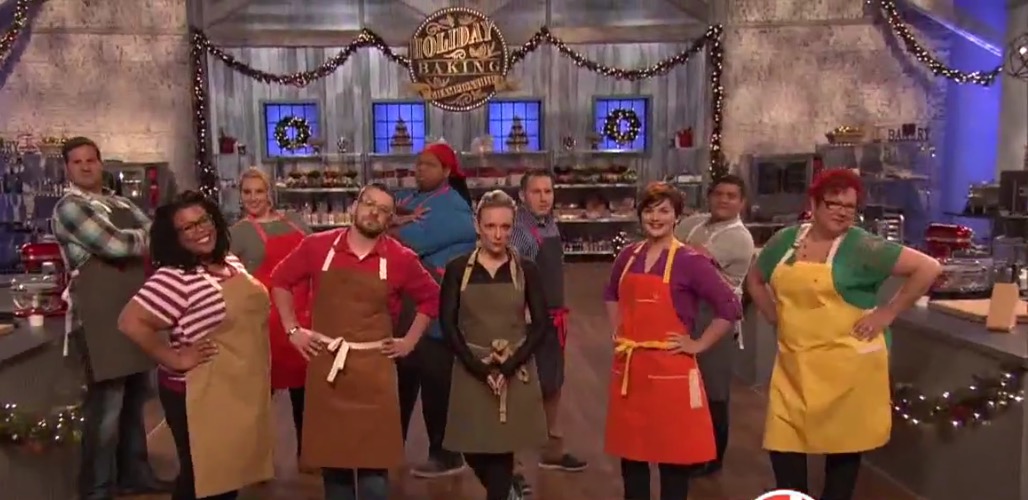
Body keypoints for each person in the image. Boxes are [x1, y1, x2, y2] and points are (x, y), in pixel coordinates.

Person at [747, 169, 941, 500]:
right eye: (833, 203)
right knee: (784, 446)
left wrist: (887, 313)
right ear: (813, 204)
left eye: (849, 206)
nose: (841, 212)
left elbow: (929, 268)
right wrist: (772, 314)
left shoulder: (864, 246)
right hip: (794, 366)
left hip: (849, 368)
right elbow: (755, 278)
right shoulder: (785, 241)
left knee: (843, 450)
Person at [270, 184, 441, 500]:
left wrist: (409, 341)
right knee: (334, 466)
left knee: (374, 470)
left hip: (375, 374)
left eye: (383, 210)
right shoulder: (317, 247)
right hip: (328, 370)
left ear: (390, 219)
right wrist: (293, 330)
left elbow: (432, 298)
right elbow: (280, 281)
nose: (374, 212)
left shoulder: (401, 258)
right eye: (369, 203)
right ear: (355, 206)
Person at [117, 191, 274, 500]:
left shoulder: (229, 261)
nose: (200, 230)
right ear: (174, 237)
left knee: (229, 475)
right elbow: (130, 321)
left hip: (236, 386)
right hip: (199, 392)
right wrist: (173, 358)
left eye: (203, 221)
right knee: (204, 479)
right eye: (187, 227)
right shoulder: (175, 278)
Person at [603, 182, 742, 500]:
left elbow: (729, 307)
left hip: (672, 371)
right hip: (631, 369)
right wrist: (618, 328)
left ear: (677, 216)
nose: (655, 218)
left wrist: (698, 344)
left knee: (673, 457)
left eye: (664, 211)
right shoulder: (628, 256)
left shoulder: (690, 260)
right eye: (649, 210)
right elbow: (611, 293)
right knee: (632, 454)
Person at [51, 136, 171, 499]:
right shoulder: (69, 208)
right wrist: (142, 237)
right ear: (67, 169)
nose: (86, 166)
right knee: (106, 409)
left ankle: (135, 475)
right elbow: (115, 246)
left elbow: (160, 235)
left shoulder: (120, 202)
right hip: (100, 317)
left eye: (91, 160)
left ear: (101, 163)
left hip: (133, 309)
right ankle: (97, 488)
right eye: (77, 162)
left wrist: (143, 236)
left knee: (135, 400)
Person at [440, 190, 548, 500]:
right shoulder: (458, 269)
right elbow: (448, 324)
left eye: (505, 227)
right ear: (477, 226)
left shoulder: (526, 269)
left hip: (514, 368)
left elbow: (541, 324)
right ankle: (510, 490)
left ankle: (503, 492)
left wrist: (509, 366)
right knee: (470, 445)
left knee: (502, 448)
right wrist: (479, 369)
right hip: (471, 367)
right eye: (490, 226)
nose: (498, 235)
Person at [392, 141, 477, 477]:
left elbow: (403, 242)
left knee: (435, 382)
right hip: (408, 308)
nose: (419, 169)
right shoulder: (415, 200)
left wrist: (392, 224)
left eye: (428, 165)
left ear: (446, 171)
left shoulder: (452, 206)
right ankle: (388, 448)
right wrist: (396, 220)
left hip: (436, 308)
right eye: (418, 163)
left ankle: (447, 454)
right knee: (402, 378)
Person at [508, 170, 587, 490]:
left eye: (548, 191)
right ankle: (511, 463)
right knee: (520, 390)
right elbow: (511, 275)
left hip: (554, 319)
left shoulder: (550, 225)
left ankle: (552, 449)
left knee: (553, 383)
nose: (543, 198)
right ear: (522, 196)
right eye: (536, 192)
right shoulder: (520, 232)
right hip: (529, 322)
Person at [673, 174, 754, 476]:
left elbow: (690, 262)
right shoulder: (694, 223)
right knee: (689, 386)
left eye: (731, 196)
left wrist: (680, 249)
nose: (723, 200)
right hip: (688, 311)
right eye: (719, 194)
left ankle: (712, 457)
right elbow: (669, 246)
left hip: (716, 315)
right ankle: (690, 448)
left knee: (713, 390)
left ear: (742, 203)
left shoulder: (739, 238)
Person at [229, 167, 312, 460]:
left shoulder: (294, 221)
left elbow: (315, 255)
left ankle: (308, 453)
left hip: (302, 315)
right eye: (247, 192)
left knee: (305, 391)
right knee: (261, 394)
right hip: (264, 322)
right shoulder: (238, 233)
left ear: (269, 193)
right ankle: (255, 459)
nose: (253, 198)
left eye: (259, 191)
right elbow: (228, 278)